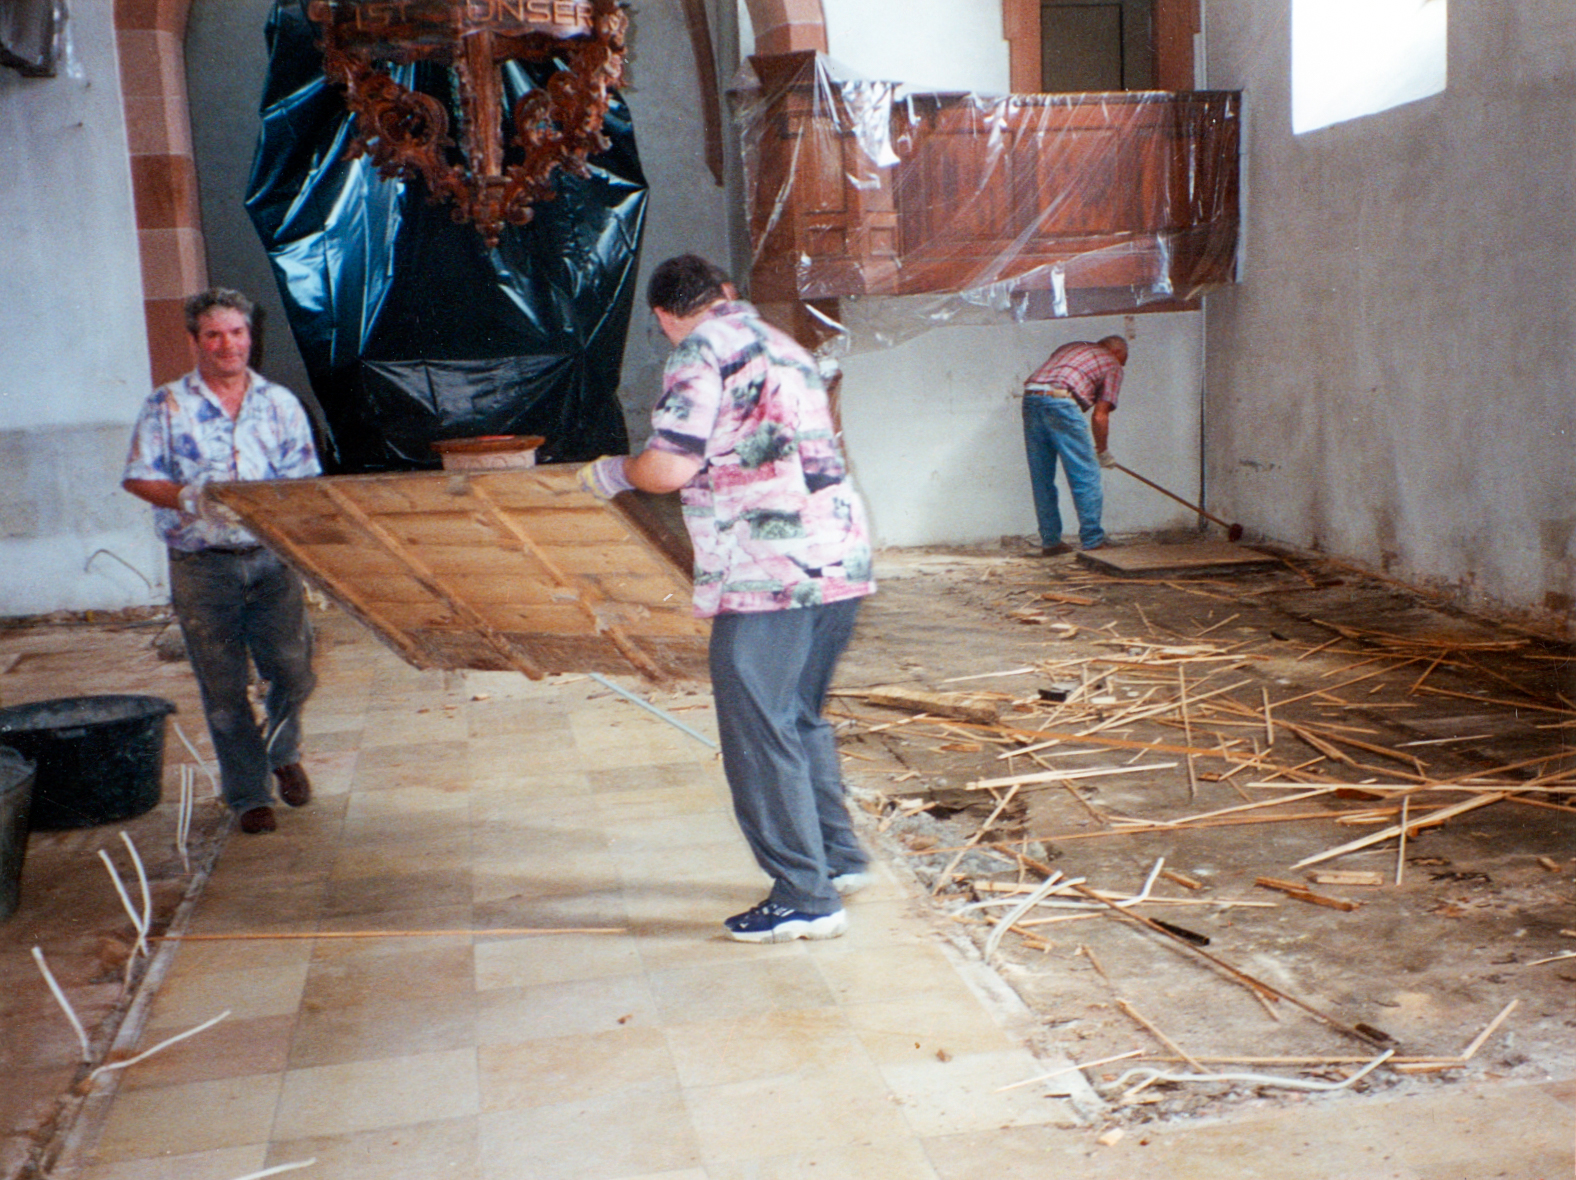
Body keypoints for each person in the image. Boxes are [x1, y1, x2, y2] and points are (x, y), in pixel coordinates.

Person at [580, 254, 876, 944]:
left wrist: (612, 473)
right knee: (798, 717)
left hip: (765, 573)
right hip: (839, 557)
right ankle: (836, 859)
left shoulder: (698, 352)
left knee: (757, 736)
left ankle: (805, 897)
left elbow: (669, 466)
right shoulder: (785, 345)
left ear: (663, 317)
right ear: (727, 294)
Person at [122, 288, 321, 836]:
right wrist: (188, 496)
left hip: (270, 559)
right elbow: (138, 476)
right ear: (194, 341)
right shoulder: (165, 406)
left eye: (236, 332)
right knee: (224, 685)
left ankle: (283, 751)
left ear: (250, 338)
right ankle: (248, 793)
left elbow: (305, 483)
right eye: (213, 334)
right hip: (201, 565)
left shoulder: (280, 404)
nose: (226, 344)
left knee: (293, 672)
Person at [1021, 334, 1128, 555]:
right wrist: (1103, 451)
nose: (1122, 365)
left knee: (1042, 477)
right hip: (1061, 400)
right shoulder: (1112, 364)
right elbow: (1100, 415)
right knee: (1085, 474)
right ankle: (1093, 540)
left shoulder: (1070, 346)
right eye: (1123, 359)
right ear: (1117, 352)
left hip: (1031, 397)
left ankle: (1050, 541)